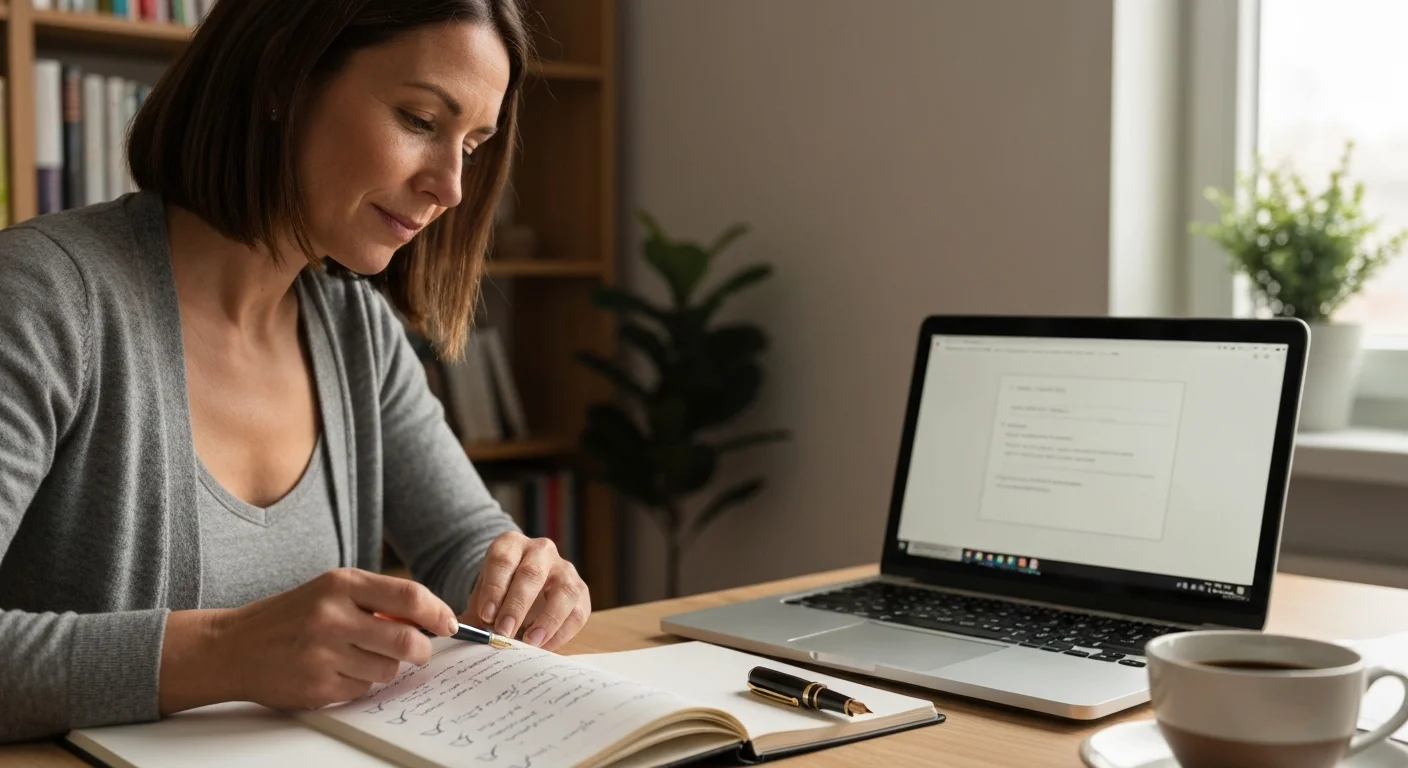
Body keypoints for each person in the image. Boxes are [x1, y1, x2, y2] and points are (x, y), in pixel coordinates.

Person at [0, 0, 591, 743]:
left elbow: (462, 541)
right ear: (283, 78)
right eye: (418, 120)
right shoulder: (40, 299)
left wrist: (521, 581)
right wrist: (223, 653)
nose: (451, 187)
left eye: (471, 146)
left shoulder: (357, 332)